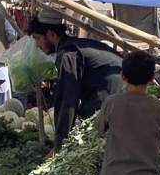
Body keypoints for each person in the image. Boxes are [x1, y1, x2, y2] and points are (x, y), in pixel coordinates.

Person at [28, 9, 124, 150]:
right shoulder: (74, 47)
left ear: (50, 34)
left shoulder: (68, 54)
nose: (37, 45)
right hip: (115, 92)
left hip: (112, 93)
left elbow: (67, 101)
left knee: (93, 134)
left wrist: (60, 145)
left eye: (37, 38)